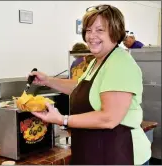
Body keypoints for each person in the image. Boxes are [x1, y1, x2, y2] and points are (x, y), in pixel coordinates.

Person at [29, 4, 151, 165]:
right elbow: (81, 88)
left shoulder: (120, 63)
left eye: (100, 30)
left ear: (115, 32)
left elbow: (109, 118)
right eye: (88, 30)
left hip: (120, 155)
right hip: (95, 152)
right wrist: (47, 81)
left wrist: (62, 119)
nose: (91, 36)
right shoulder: (97, 61)